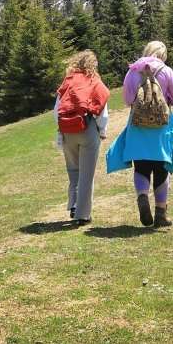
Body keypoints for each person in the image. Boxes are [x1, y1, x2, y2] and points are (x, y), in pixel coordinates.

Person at [106, 41, 173, 229]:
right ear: (162, 55)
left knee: (141, 167)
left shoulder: (132, 71)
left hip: (137, 126)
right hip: (162, 128)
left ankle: (142, 197)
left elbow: (127, 100)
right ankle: (160, 214)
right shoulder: (166, 71)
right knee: (161, 168)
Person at [54, 50, 110, 226]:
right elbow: (103, 112)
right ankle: (82, 215)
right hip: (87, 128)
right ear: (93, 65)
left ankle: (73, 205)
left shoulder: (68, 81)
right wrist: (101, 130)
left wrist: (61, 129)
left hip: (67, 130)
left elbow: (56, 110)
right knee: (87, 174)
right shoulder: (95, 81)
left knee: (73, 171)